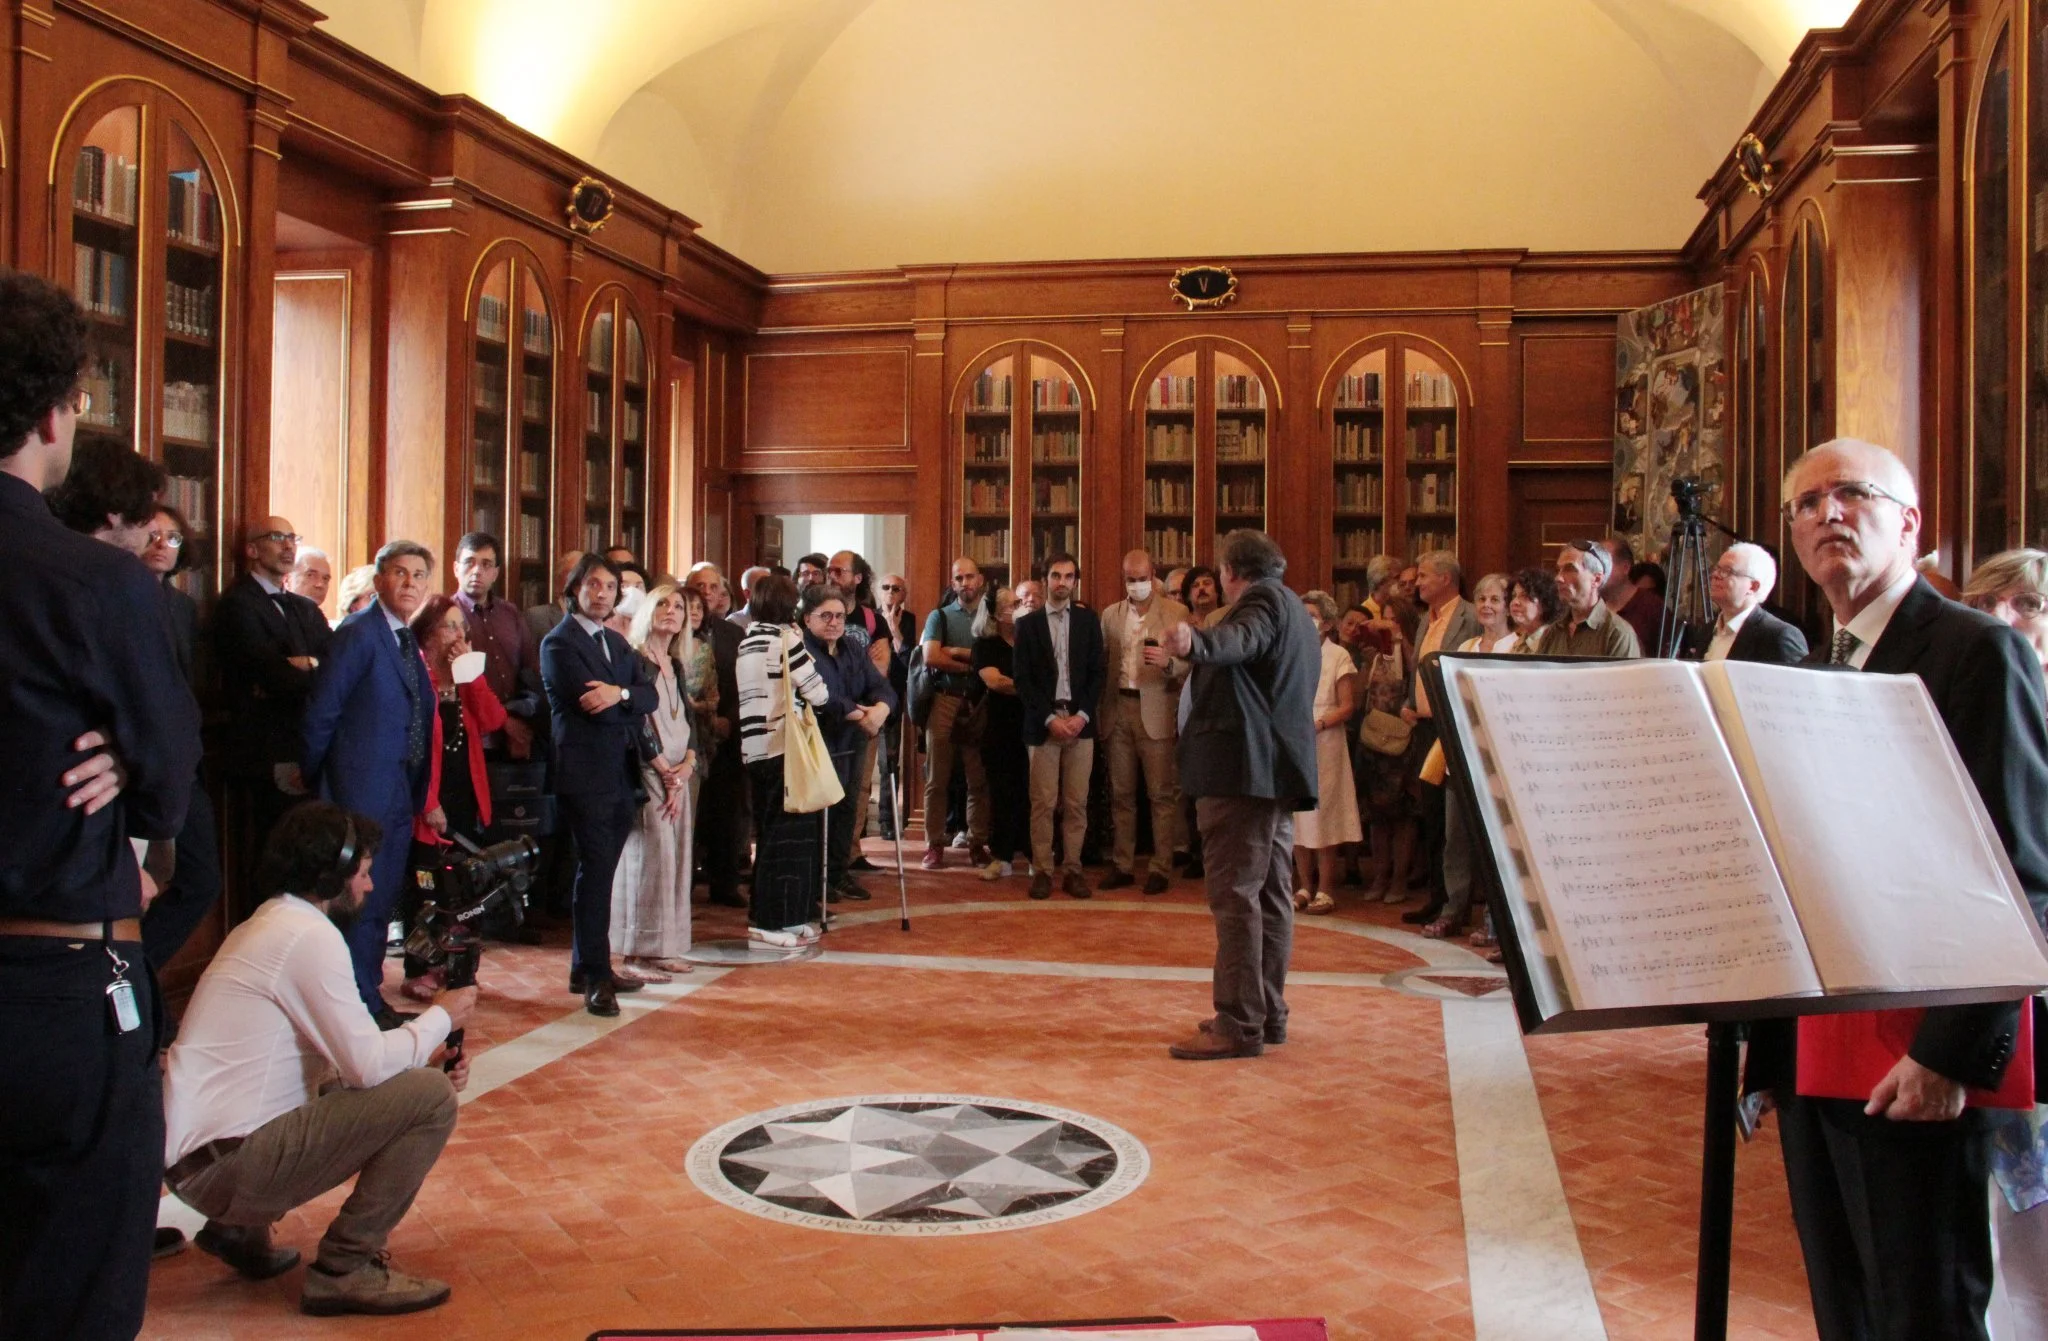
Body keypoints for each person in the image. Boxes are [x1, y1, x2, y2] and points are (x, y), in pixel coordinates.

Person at [1755, 439, 2048, 1341]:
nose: (1827, 514)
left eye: (1852, 494)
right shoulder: (1807, 671)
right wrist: (1767, 1054)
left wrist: (1953, 1056)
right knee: (1846, 1305)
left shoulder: (1976, 650)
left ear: (1910, 523)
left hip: (1913, 1050)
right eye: (1806, 504)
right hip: (1816, 1050)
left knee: (1921, 1311)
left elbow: (2021, 870)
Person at [0, 268, 202, 1340]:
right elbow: (168, 784)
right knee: (70, 1286)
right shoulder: (94, 583)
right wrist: (125, 761)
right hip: (54, 979)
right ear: (50, 411)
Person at [161, 804, 472, 1317]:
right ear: (333, 875)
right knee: (431, 1099)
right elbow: (368, 1066)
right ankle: (344, 1269)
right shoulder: (308, 936)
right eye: (365, 873)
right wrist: (441, 1017)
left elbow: (343, 1064)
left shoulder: (269, 923)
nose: (370, 887)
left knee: (384, 1084)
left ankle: (237, 1232)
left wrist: (423, 1051)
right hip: (223, 1169)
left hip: (199, 1162)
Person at [1159, 530, 1319, 1060]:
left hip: (1242, 776)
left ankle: (1238, 1022)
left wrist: (1196, 643)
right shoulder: (1293, 606)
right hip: (1270, 776)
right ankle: (1266, 1013)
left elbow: (1240, 639)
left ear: (1230, 572)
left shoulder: (1263, 602)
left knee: (1234, 898)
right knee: (1270, 897)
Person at [301, 540, 439, 1025]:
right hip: (357, 792)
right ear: (379, 580)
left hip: (398, 792)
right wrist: (316, 777)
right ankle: (356, 1005)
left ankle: (369, 993)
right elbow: (322, 712)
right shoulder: (359, 634)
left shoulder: (404, 638)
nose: (409, 583)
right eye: (399, 573)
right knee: (357, 902)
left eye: (419, 575)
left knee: (380, 901)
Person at [540, 553, 659, 1016]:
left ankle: (583, 965)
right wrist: (620, 698)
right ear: (574, 590)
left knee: (600, 874)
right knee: (593, 874)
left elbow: (644, 694)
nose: (601, 593)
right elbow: (593, 706)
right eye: (592, 585)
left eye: (609, 587)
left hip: (618, 771)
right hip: (584, 773)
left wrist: (621, 693)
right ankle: (595, 976)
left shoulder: (615, 642)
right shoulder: (559, 643)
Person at [216, 516, 334, 921]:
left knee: (306, 854)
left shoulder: (303, 607)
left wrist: (307, 665)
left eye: (292, 537)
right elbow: (269, 674)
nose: (287, 546)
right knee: (271, 854)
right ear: (251, 549)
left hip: (306, 744)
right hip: (264, 751)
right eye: (276, 537)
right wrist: (290, 671)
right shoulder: (236, 603)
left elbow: (333, 671)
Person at [397, 594, 508, 1000]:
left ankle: (458, 965)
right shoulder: (416, 678)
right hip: (428, 802)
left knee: (467, 887)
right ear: (427, 633)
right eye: (449, 626)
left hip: (467, 798)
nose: (459, 634)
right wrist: (427, 803)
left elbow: (495, 721)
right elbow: (411, 752)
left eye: (462, 626)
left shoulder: (463, 679)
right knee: (426, 891)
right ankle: (419, 968)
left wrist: (470, 677)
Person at [737, 573, 837, 946]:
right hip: (783, 748)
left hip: (755, 749)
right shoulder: (785, 640)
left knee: (769, 834)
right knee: (789, 838)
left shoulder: (748, 640)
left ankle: (780, 915)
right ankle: (771, 921)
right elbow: (819, 691)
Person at [1425, 572, 1520, 939]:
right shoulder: (1464, 648)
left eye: (1495, 600)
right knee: (1456, 841)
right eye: (1482, 599)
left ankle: (1493, 923)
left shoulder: (1517, 647)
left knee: (1495, 844)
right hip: (1460, 755)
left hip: (1498, 760)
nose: (1487, 606)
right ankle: (1454, 911)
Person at [612, 584, 697, 980]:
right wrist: (664, 769)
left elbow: (687, 720)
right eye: (662, 603)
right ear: (648, 611)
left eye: (678, 606)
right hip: (650, 772)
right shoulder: (636, 660)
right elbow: (635, 721)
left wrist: (689, 763)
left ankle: (666, 947)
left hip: (678, 773)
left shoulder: (675, 664)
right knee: (649, 857)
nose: (671, 611)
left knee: (674, 860)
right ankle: (637, 952)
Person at [1097, 549, 1188, 894]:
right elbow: (1103, 664)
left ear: (1154, 574)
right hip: (1117, 707)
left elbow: (1190, 665)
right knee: (1121, 794)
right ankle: (1122, 864)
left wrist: (1168, 663)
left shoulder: (1176, 613)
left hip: (1157, 708)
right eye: (1129, 579)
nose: (1136, 585)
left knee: (1161, 795)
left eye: (1141, 578)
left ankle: (1160, 866)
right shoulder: (1110, 615)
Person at [1014, 553, 1104, 901]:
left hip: (1081, 723)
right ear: (1044, 580)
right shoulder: (1028, 624)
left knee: (1077, 803)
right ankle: (1042, 870)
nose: (1062, 582)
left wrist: (1082, 715)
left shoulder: (1088, 621)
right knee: (1043, 803)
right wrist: (1050, 719)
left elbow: (1098, 672)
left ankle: (1073, 869)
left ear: (1075, 581)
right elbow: (1022, 681)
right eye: (1055, 575)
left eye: (1068, 576)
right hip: (1043, 726)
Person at [1399, 550, 1479, 929]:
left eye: (1425, 576)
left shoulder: (1471, 617)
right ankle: (1437, 897)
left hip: (1452, 729)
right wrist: (1409, 702)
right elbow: (1419, 669)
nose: (1418, 583)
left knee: (1454, 824)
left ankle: (1457, 901)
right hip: (1424, 729)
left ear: (1447, 579)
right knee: (1429, 817)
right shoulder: (1423, 621)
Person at [801, 582, 895, 903]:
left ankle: (839, 873)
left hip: (852, 742)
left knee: (846, 807)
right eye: (825, 615)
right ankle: (816, 879)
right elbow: (826, 697)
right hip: (817, 742)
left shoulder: (853, 649)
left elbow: (879, 685)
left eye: (840, 616)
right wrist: (860, 713)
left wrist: (881, 709)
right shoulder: (802, 651)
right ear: (806, 619)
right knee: (818, 813)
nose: (834, 622)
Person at [921, 558, 993, 869]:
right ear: (953, 583)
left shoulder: (992, 617)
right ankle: (934, 844)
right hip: (945, 699)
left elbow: (1002, 656)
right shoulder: (939, 617)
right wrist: (976, 666)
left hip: (980, 702)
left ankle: (978, 843)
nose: (965, 582)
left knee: (978, 779)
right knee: (937, 779)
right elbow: (931, 657)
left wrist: (960, 655)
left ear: (981, 580)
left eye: (970, 576)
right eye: (958, 578)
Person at [1292, 591, 1361, 915]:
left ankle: (1326, 888)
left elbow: (1348, 706)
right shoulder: (1291, 651)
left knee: (1325, 816)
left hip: (1327, 741)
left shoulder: (1338, 656)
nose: (1307, 621)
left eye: (1313, 615)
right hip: (1295, 742)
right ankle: (1303, 885)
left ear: (1328, 623)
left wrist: (1318, 723)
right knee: (1298, 816)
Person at [686, 563, 748, 908]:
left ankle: (725, 881)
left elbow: (745, 685)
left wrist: (730, 720)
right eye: (699, 587)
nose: (707, 593)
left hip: (727, 737)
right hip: (688, 740)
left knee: (728, 813)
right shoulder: (675, 633)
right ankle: (685, 886)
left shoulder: (732, 634)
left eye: (713, 587)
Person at [452, 531, 542, 763]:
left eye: (486, 564)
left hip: (517, 733)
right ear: (455, 569)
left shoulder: (510, 613)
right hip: (467, 734)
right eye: (469, 562)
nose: (476, 571)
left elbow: (530, 670)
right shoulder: (446, 615)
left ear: (496, 573)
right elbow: (458, 683)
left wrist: (522, 717)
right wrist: (502, 720)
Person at [973, 585, 1031, 881]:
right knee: (1002, 794)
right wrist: (1032, 689)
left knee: (1034, 793)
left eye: (1020, 602)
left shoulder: (1031, 639)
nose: (1019, 606)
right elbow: (995, 681)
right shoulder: (986, 644)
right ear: (996, 614)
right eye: (1012, 604)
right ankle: (1002, 857)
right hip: (999, 730)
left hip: (1032, 726)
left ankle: (1036, 856)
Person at [1527, 540, 1642, 658]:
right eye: (1559, 570)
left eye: (1570, 569)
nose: (1558, 578)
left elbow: (1624, 677)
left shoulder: (1617, 633)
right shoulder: (1552, 632)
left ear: (1596, 579)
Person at [1699, 541, 1808, 664]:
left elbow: (1795, 682)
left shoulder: (1778, 636)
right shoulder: (1705, 632)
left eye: (1727, 571)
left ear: (1753, 586)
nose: (1715, 575)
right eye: (1717, 568)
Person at [875, 572, 918, 839]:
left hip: (896, 694)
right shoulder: (867, 618)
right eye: (886, 587)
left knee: (889, 760)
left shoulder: (910, 620)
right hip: (868, 696)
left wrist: (893, 629)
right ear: (878, 591)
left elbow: (911, 660)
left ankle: (888, 822)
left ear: (904, 594)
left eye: (897, 588)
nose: (891, 592)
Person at [141, 503, 200, 681]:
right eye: (154, 535)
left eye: (173, 538)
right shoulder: (119, 595)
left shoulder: (184, 605)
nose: (162, 545)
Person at [1601, 536, 1668, 654]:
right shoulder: (1594, 605)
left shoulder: (1653, 607)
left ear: (1625, 568)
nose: (1598, 570)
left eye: (1604, 563)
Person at [525, 550, 584, 648]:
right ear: (558, 582)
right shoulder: (536, 617)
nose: (580, 580)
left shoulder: (598, 618)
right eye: (573, 573)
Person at [287, 545, 333, 609]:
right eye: (310, 575)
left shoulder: (318, 618)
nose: (320, 584)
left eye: (325, 579)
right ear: (288, 579)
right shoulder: (271, 615)